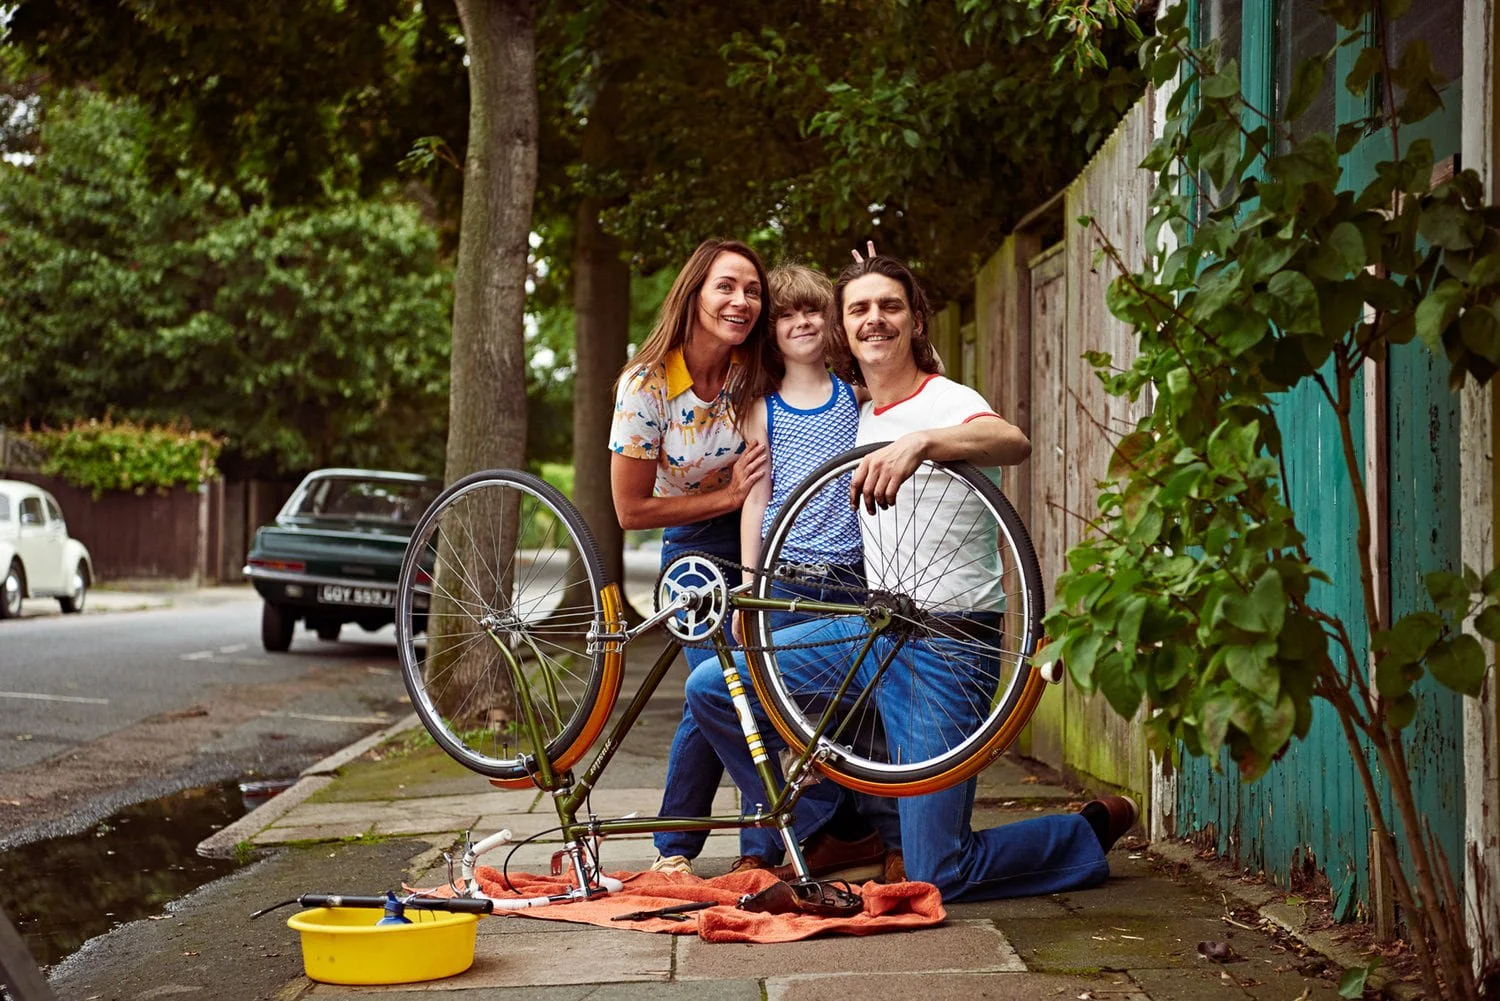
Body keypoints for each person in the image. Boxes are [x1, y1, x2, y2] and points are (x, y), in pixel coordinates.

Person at [686, 254, 1137, 901]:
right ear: (844, 330)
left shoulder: (950, 401)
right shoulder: (860, 413)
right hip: (870, 632)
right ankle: (827, 826)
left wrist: (923, 442)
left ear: (915, 319)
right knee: (714, 685)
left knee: (937, 872)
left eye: (890, 305)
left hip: (947, 650)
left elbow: (1011, 440)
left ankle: (1084, 832)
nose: (875, 319)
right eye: (860, 309)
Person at [721, 263, 899, 881]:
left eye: (812, 312)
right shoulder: (760, 407)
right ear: (772, 331)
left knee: (855, 709)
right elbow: (756, 498)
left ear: (831, 322)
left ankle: (882, 835)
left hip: (850, 577)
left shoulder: (856, 399)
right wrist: (748, 587)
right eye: (787, 315)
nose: (801, 323)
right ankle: (764, 846)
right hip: (785, 579)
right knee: (765, 708)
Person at [609, 238, 773, 876]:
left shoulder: (757, 370)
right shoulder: (645, 383)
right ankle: (740, 847)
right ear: (695, 294)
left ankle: (681, 849)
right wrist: (725, 495)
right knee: (726, 686)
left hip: (765, 533)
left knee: (737, 685)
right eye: (726, 287)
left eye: (752, 290)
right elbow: (631, 511)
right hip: (693, 550)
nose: (741, 301)